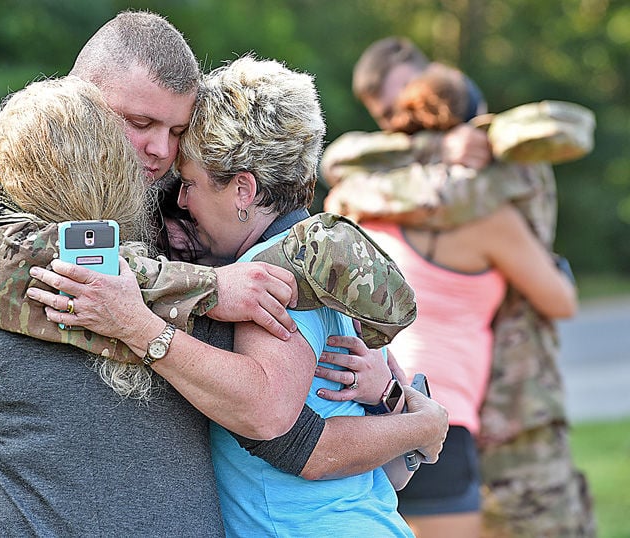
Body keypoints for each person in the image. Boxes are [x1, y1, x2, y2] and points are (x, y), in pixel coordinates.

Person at [0, 11, 305, 536]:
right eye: (140, 124)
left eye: (177, 130)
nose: (160, 149)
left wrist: (391, 396)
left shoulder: (192, 202)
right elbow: (11, 264)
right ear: (80, 97)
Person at [26, 55, 448, 537]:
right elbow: (390, 465)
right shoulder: (331, 264)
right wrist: (415, 422)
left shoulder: (269, 276)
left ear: (243, 190)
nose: (182, 201)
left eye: (190, 184)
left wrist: (136, 325)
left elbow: (270, 417)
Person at [321, 36, 596, 537]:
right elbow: (561, 301)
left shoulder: (363, 200)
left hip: (368, 403)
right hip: (440, 416)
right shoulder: (491, 215)